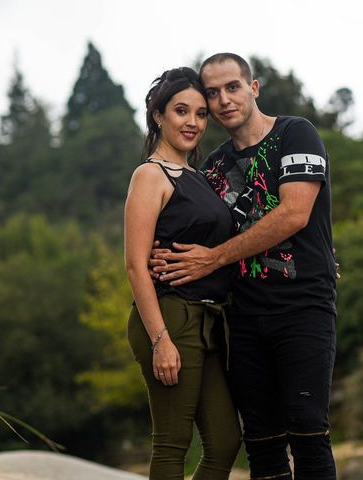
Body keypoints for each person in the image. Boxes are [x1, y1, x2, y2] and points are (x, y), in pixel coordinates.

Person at [151, 53, 338, 479]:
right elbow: (195, 227)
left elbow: (294, 214)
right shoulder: (212, 166)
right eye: (211, 93)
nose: (223, 100)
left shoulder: (295, 133)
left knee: (308, 430)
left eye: (232, 87)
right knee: (262, 443)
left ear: (253, 88)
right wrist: (159, 255)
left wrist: (214, 258)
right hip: (244, 318)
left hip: (302, 308)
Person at [125, 67, 241, 480]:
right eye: (180, 111)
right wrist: (160, 340)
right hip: (170, 317)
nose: (192, 122)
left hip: (209, 320)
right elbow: (137, 265)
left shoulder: (201, 177)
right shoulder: (149, 176)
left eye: (200, 113)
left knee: (225, 443)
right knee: (172, 445)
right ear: (158, 115)